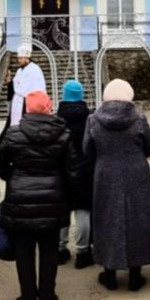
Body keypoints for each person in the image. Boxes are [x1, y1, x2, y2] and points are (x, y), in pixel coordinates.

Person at [0, 90, 80, 300]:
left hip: (20, 198)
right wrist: (69, 198)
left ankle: (27, 297)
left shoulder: (13, 135)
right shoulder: (63, 135)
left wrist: (14, 178)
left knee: (23, 250)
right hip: (53, 197)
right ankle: (46, 297)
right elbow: (72, 171)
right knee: (49, 249)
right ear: (48, 106)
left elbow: (0, 165)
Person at [85, 79, 150, 292]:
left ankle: (109, 275)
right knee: (137, 219)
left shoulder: (93, 120)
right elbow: (149, 147)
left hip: (105, 174)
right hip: (136, 174)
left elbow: (87, 150)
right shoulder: (139, 119)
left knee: (107, 219)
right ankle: (135, 276)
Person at [56, 80, 95, 269]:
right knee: (83, 211)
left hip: (62, 169)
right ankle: (83, 251)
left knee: (62, 211)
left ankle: (60, 249)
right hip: (85, 169)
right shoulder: (90, 118)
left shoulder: (57, 119)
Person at [6, 43, 46, 129]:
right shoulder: (19, 71)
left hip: (28, 103)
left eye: (20, 58)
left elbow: (37, 87)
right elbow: (16, 86)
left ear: (27, 58)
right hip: (17, 103)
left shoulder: (35, 69)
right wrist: (10, 82)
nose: (18, 60)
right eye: (18, 58)